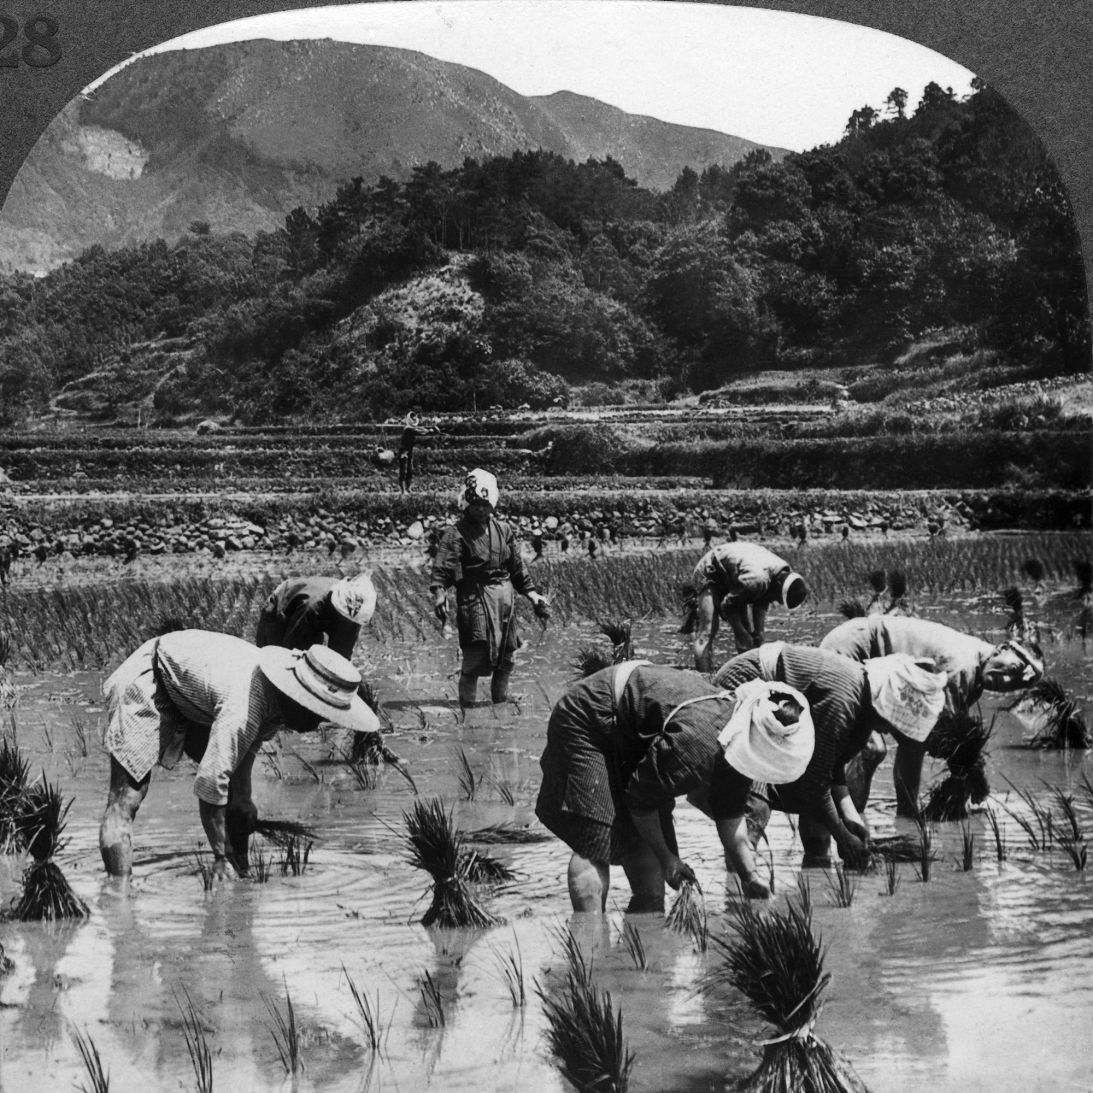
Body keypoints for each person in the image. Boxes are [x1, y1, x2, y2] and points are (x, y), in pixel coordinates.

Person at [535, 660, 816, 911]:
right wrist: (671, 859)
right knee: (595, 841)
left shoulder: (738, 746)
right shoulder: (703, 744)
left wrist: (750, 877)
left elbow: (730, 817)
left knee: (652, 881)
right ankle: (590, 946)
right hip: (589, 721)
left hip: (633, 735)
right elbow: (641, 802)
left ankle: (642, 944)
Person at [99, 631, 379, 879]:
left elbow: (246, 748)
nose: (317, 722)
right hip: (150, 677)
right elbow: (210, 782)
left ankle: (241, 871)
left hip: (193, 696)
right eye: (316, 711)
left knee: (237, 804)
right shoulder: (245, 705)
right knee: (128, 797)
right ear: (299, 697)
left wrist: (243, 797)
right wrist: (220, 858)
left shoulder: (276, 701)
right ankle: (119, 899)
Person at [712, 643, 949, 869]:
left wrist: (850, 818)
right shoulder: (844, 700)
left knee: (819, 815)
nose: (889, 731)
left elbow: (832, 768)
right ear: (886, 707)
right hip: (743, 690)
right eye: (893, 724)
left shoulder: (863, 709)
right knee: (755, 806)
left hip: (777, 713)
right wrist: (843, 836)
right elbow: (816, 782)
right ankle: (740, 892)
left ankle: (814, 875)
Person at [819, 615, 1043, 815]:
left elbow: (940, 734)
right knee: (871, 748)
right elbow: (917, 740)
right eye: (1011, 670)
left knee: (881, 743)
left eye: (1014, 684)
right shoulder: (962, 667)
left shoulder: (980, 660)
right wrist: (910, 812)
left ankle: (849, 819)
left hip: (865, 657)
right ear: (1002, 649)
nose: (1005, 681)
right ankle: (846, 823)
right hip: (850, 651)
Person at [430, 469, 549, 706]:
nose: (480, 509)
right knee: (474, 657)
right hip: (474, 598)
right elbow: (442, 569)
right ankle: (468, 709)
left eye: (485, 504)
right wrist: (439, 595)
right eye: (475, 504)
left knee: (507, 657)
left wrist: (533, 595)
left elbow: (517, 568)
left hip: (505, 600)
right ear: (466, 503)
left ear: (492, 504)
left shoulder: (504, 530)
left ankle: (500, 704)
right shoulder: (456, 533)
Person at [688, 542, 807, 671]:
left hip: (735, 577)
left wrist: (759, 633)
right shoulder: (756, 580)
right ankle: (704, 677)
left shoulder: (780, 573)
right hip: (711, 571)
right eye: (778, 599)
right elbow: (727, 606)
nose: (776, 601)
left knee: (748, 637)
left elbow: (763, 600)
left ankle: (746, 673)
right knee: (708, 630)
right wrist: (741, 633)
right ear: (778, 586)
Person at [255, 573, 376, 659]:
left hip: (317, 614)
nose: (347, 623)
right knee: (274, 658)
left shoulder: (354, 615)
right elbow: (292, 649)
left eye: (349, 621)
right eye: (343, 618)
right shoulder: (312, 606)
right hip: (282, 607)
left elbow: (342, 656)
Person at [397, 411, 440, 494]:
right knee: (403, 470)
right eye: (412, 418)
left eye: (414, 418)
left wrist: (430, 429)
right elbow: (421, 432)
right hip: (403, 451)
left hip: (409, 451)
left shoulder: (412, 428)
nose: (414, 420)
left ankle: (408, 488)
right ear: (409, 419)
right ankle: (402, 490)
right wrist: (431, 431)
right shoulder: (408, 429)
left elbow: (420, 429)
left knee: (409, 470)